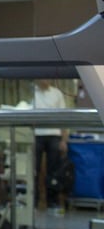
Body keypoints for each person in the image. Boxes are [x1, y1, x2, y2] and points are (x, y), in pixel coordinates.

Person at [32, 79, 68, 213]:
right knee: (34, 170)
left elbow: (64, 117)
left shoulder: (57, 93)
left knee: (54, 171)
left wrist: (64, 140)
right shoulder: (32, 92)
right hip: (36, 135)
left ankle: (52, 202)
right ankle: (33, 202)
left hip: (54, 134)